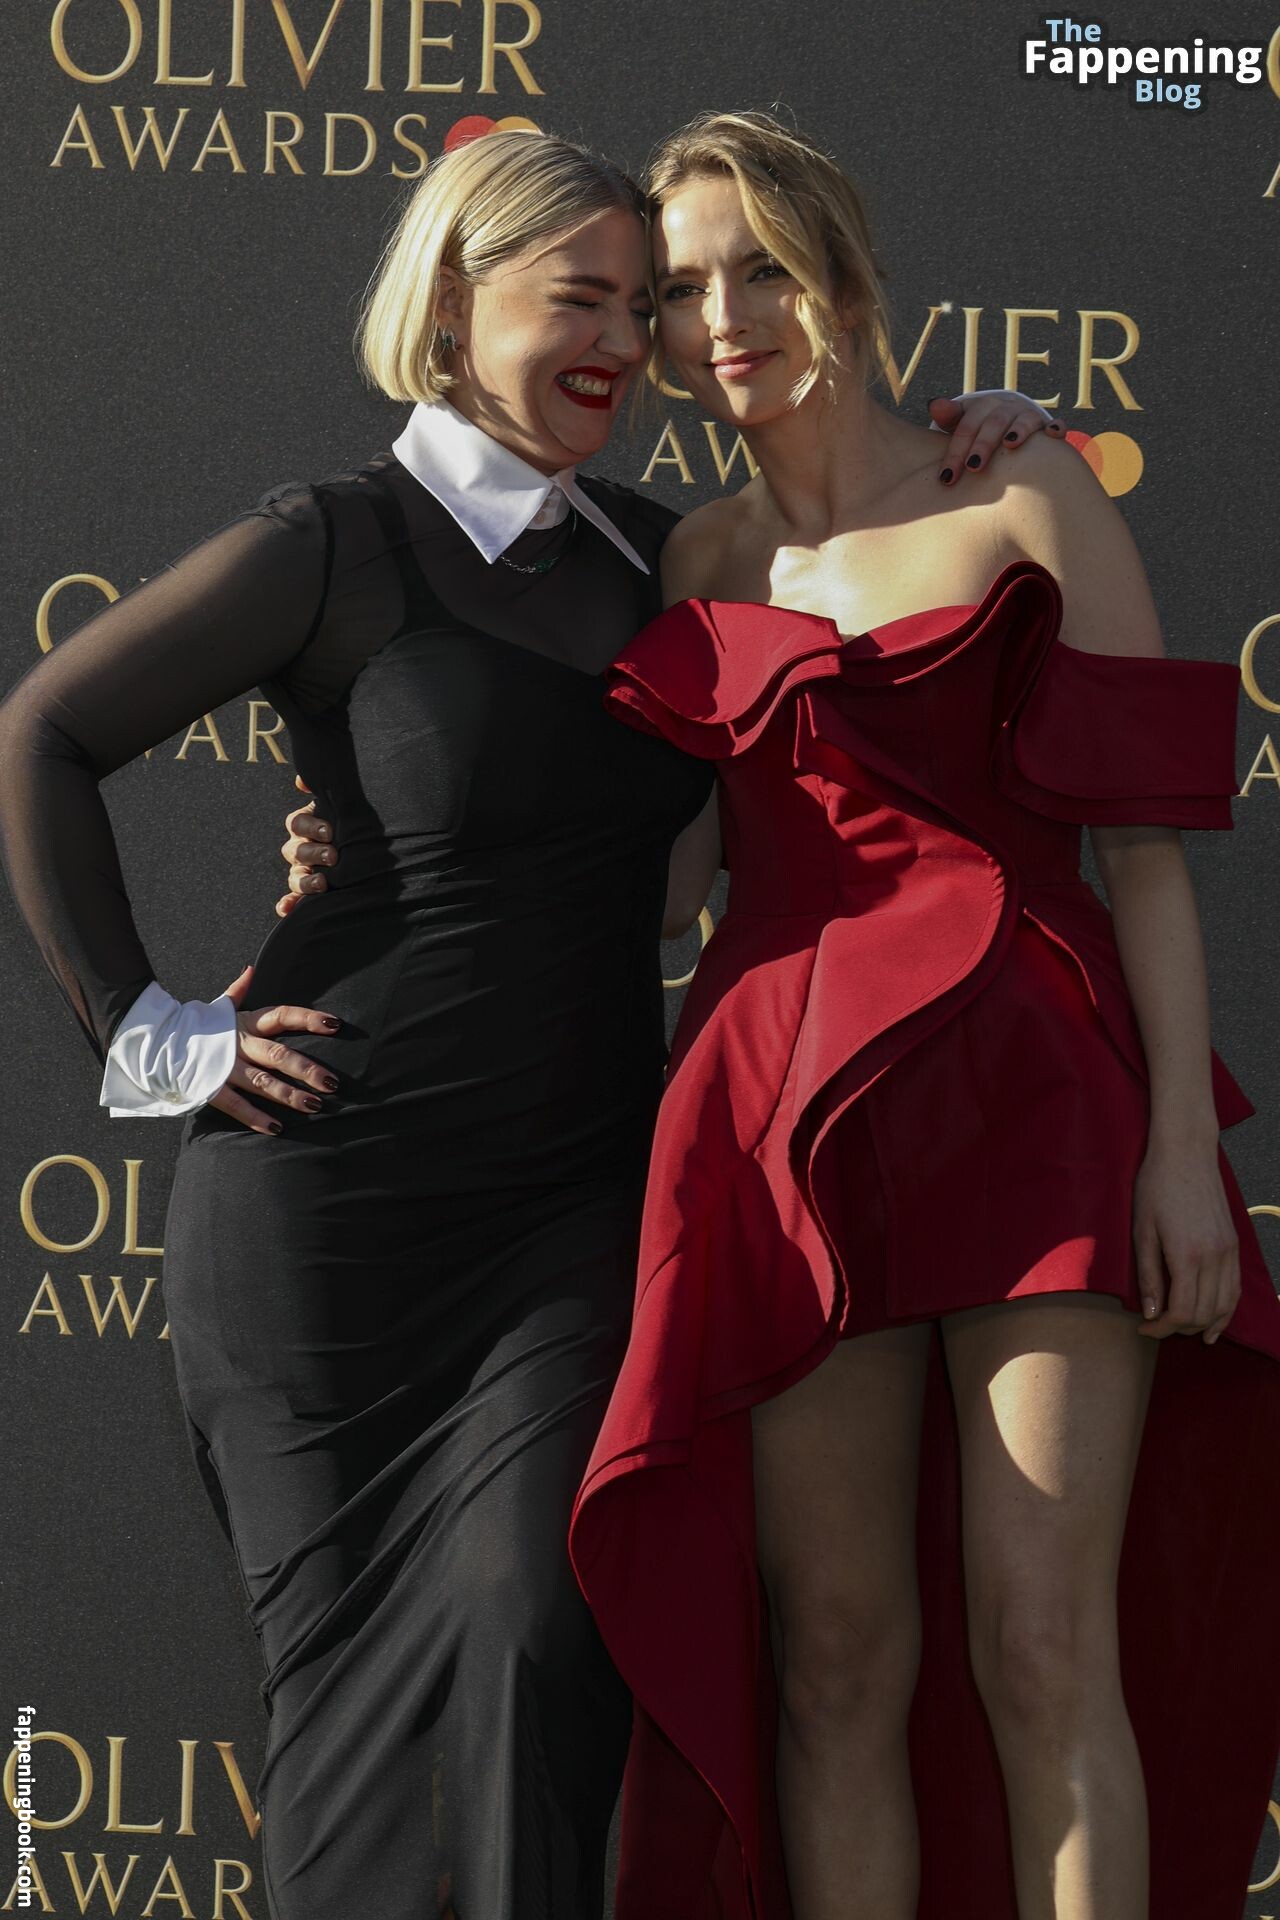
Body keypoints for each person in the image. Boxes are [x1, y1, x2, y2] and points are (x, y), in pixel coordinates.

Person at [0, 127, 1046, 1920]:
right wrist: (151, 1034)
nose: (626, 343)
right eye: (582, 300)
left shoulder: (663, 556)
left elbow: (844, 592)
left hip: (572, 1207)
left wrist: (982, 431)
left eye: (642, 307)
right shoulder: (332, 541)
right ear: (453, 304)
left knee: (535, 1633)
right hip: (329, 1214)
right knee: (348, 1710)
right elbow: (43, 738)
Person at [557, 112, 1280, 1920]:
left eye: (763, 270)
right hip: (793, 1129)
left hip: (1039, 1101)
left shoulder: (1023, 490)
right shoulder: (693, 561)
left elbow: (1147, 856)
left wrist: (1179, 1157)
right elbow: (671, 882)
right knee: (835, 1664)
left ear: (849, 278)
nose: (725, 319)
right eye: (684, 290)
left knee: (1043, 1645)